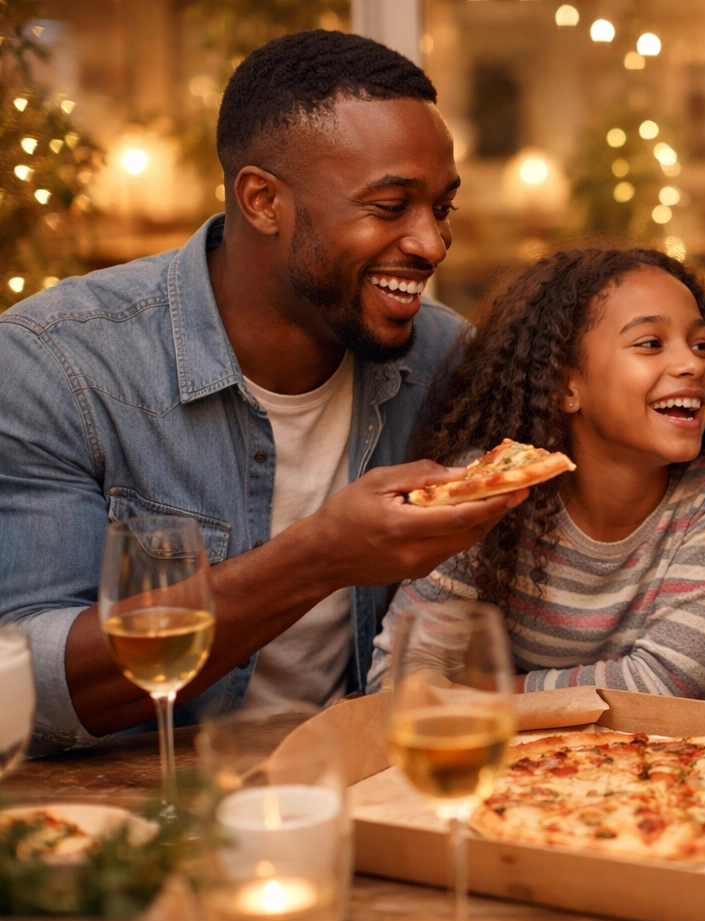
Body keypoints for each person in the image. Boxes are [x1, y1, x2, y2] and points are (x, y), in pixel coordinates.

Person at [0, 31, 521, 755]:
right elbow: (24, 681)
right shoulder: (56, 365)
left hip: (374, 787)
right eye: (391, 206)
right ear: (263, 200)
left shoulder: (449, 361)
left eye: (441, 209)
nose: (431, 244)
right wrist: (319, 557)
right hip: (140, 816)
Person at [369, 248, 705, 701]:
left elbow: (666, 684)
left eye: (702, 346)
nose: (693, 364)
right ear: (564, 386)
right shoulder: (491, 486)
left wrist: (482, 695)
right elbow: (397, 674)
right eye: (650, 343)